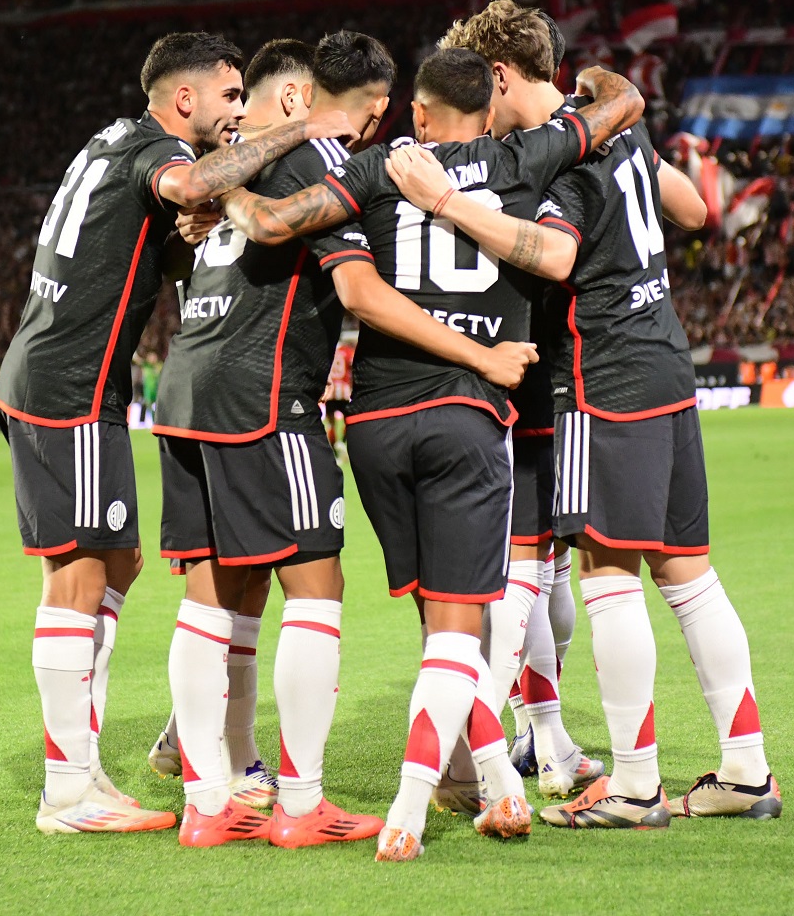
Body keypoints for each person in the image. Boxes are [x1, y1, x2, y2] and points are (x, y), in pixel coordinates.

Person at [223, 48, 643, 860]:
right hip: (465, 417)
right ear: (488, 112)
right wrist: (579, 85)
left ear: (416, 112)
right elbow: (621, 105)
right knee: (460, 631)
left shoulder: (377, 165)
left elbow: (275, 222)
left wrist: (218, 190)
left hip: (375, 429)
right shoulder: (528, 153)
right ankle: (411, 811)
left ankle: (495, 782)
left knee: (438, 621)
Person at [151, 33, 535, 849]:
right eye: (366, 113)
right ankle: (300, 803)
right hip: (265, 395)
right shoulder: (316, 157)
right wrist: (481, 355)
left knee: (213, 594)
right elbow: (357, 287)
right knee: (318, 590)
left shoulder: (230, 158)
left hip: (184, 385)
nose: (367, 131)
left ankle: (207, 799)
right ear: (302, 101)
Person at [385, 87, 781, 829]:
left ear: (502, 78)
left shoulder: (562, 151)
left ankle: (629, 785)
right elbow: (693, 210)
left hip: (596, 380)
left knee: (595, 574)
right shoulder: (619, 125)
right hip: (665, 361)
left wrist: (444, 201)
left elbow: (558, 252)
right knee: (687, 572)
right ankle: (744, 768)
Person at [0, 31, 359, 835]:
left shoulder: (111, 140)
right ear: (185, 98)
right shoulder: (157, 148)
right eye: (230, 98)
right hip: (72, 385)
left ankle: (100, 761)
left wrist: (171, 244)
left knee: (115, 560)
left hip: (58, 376)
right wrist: (301, 126)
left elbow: (126, 246)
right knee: (79, 578)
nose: (237, 114)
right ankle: (68, 789)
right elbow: (193, 179)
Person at [434, 0, 602, 801]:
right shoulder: (561, 142)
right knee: (530, 571)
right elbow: (690, 205)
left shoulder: (522, 153)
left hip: (536, 374)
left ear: (499, 76)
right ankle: (487, 745)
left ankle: (544, 732)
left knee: (542, 571)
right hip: (537, 376)